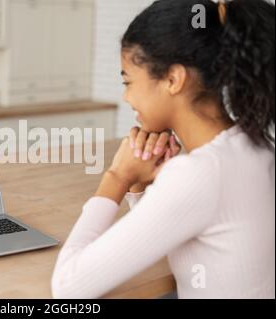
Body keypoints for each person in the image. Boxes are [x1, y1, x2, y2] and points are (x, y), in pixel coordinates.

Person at [52, 0, 275, 299]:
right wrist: (141, 186)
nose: (126, 96)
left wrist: (117, 176)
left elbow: (68, 288)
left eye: (128, 80)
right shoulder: (255, 144)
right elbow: (165, 239)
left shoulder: (199, 172)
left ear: (173, 79)